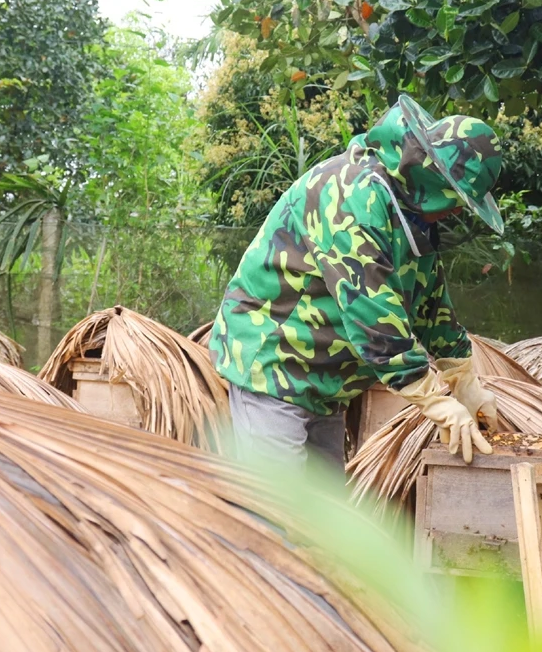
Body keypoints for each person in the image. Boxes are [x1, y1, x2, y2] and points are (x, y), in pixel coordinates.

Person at [208, 94, 504, 469]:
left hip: (325, 381)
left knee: (326, 516)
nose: (459, 210)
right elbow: (372, 310)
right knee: (271, 512)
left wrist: (464, 380)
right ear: (432, 177)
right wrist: (434, 399)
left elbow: (430, 302)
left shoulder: (410, 214)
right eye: (459, 197)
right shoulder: (351, 195)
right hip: (272, 363)